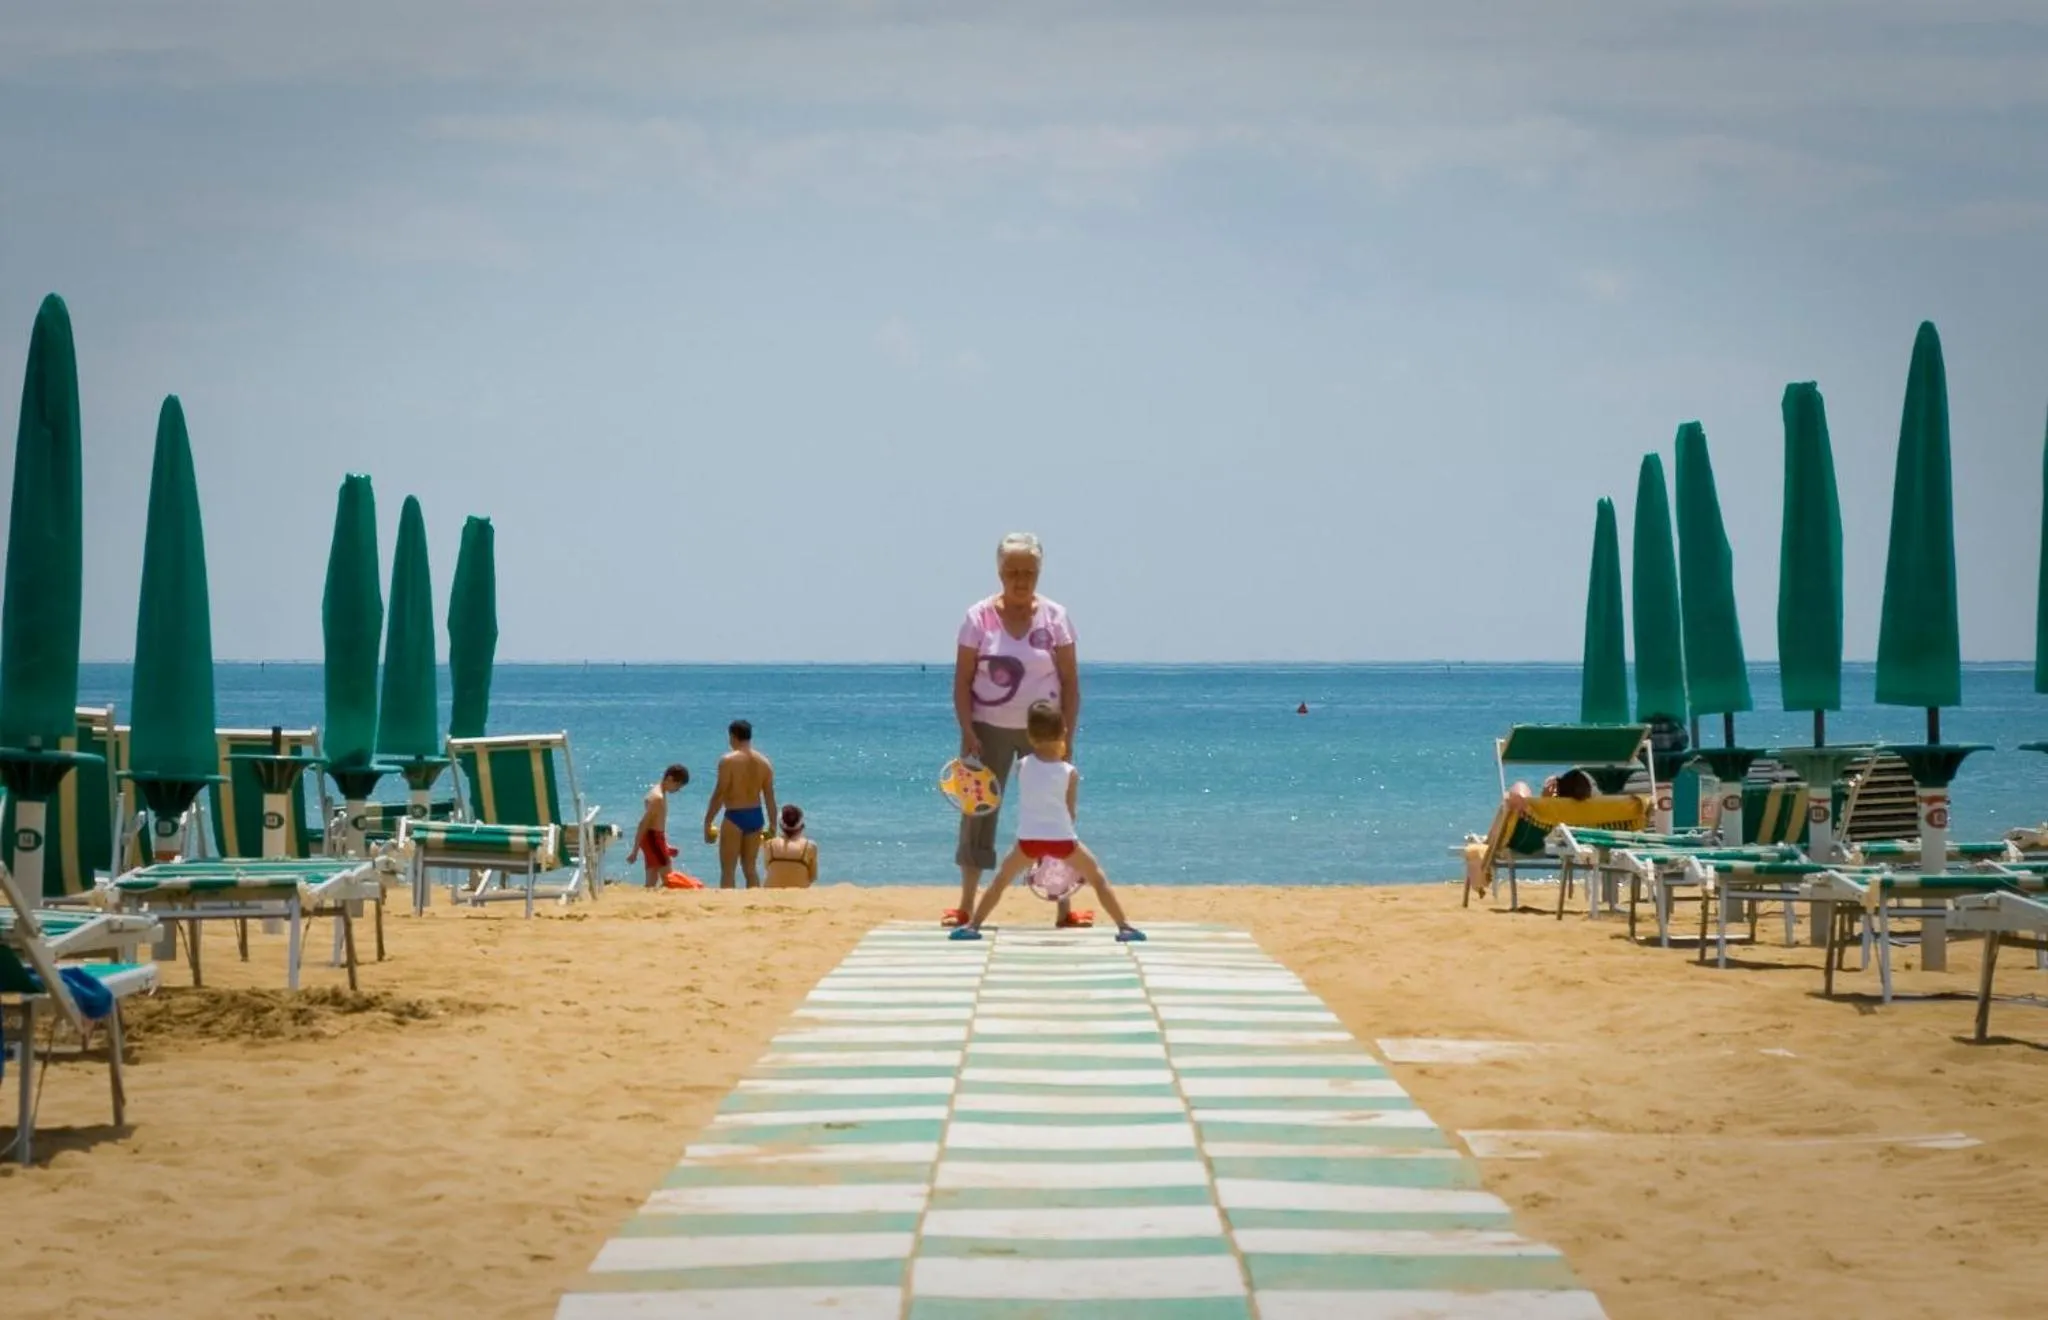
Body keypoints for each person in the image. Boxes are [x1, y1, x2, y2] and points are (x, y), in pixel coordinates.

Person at [952, 531, 1086, 929]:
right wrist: (966, 729)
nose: (1020, 579)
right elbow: (961, 681)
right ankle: (964, 903)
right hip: (986, 730)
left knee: (1055, 815)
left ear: (1039, 572)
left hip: (1043, 734)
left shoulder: (1056, 618)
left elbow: (1070, 682)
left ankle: (1063, 906)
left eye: (1028, 571)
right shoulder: (978, 617)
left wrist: (1067, 737)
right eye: (1012, 571)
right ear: (999, 571)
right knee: (977, 815)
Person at [951, 702, 1141, 942]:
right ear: (1063, 732)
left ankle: (973, 925)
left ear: (1030, 735)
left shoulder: (1021, 766)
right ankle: (1124, 927)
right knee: (1098, 879)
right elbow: (1070, 812)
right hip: (1063, 840)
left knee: (1000, 882)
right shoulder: (1069, 772)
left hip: (1028, 840)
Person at [704, 719, 777, 889]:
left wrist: (708, 821)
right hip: (756, 816)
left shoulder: (728, 761)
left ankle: (727, 904)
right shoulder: (765, 762)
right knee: (750, 868)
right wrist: (773, 825)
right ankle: (754, 901)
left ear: (732, 736)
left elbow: (720, 793)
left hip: (734, 816)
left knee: (728, 869)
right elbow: (770, 798)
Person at [628, 763, 689, 889]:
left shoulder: (657, 792)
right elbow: (644, 824)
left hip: (654, 838)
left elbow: (654, 823)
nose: (677, 790)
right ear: (670, 779)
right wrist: (634, 851)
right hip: (653, 839)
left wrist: (665, 845)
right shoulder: (658, 798)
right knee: (669, 878)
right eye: (677, 786)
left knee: (652, 877)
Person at [763, 804, 819, 889]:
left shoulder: (769, 844)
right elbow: (813, 876)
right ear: (801, 825)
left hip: (771, 893)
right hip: (799, 894)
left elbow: (768, 868)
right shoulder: (810, 846)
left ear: (781, 825)